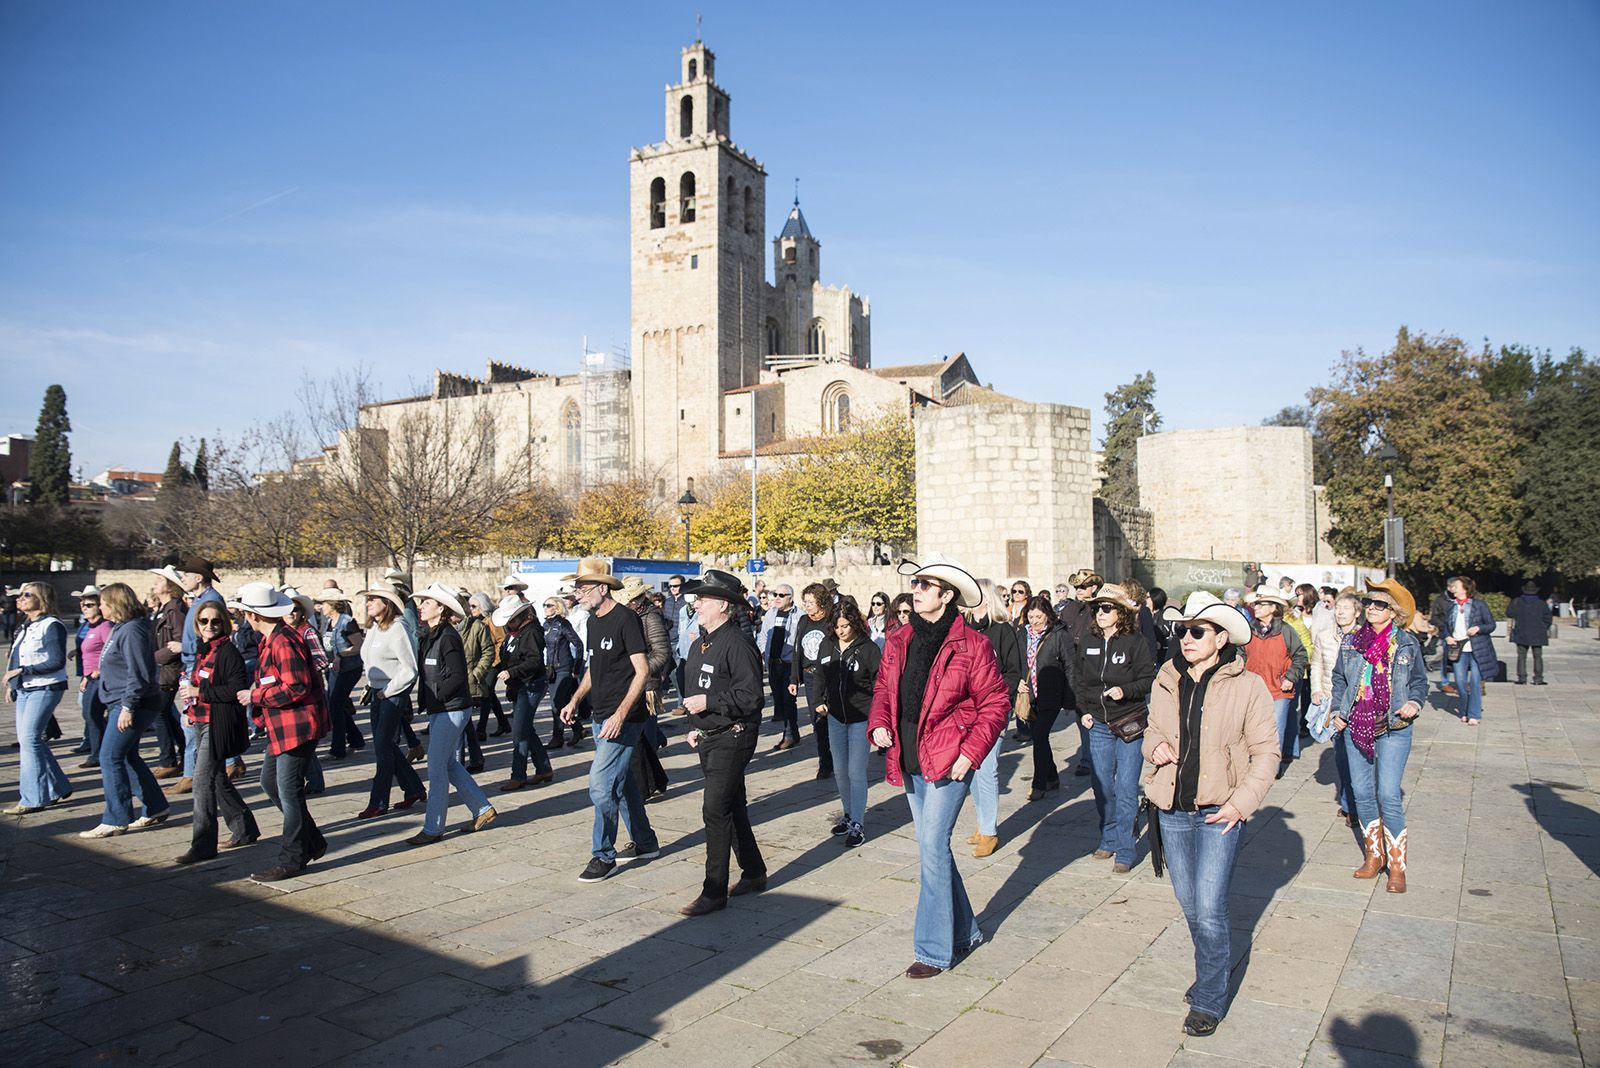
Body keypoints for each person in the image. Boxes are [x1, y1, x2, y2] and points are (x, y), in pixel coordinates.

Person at [869, 553, 1009, 979]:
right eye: (916, 583)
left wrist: (971, 752)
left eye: (926, 584)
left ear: (947, 596)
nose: (917, 589)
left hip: (951, 759)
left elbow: (995, 703)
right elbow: (883, 688)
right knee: (934, 850)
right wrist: (879, 723)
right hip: (910, 754)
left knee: (931, 846)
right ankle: (966, 932)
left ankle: (932, 950)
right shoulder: (899, 638)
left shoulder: (973, 644)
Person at [1146, 591, 1279, 1036]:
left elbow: (1267, 753)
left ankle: (1209, 997)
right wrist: (1154, 747)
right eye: (1182, 630)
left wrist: (1241, 804)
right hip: (1172, 809)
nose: (1186, 638)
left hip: (1220, 811)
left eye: (1197, 631)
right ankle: (1210, 971)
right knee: (1190, 905)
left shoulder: (1247, 686)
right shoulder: (1167, 676)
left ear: (1221, 638)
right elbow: (1152, 729)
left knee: (1209, 907)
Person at [676, 569, 768, 916]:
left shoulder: (738, 643)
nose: (697, 604)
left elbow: (751, 696)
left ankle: (713, 891)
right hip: (709, 736)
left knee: (714, 810)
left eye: (703, 598)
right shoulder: (702, 642)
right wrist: (694, 724)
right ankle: (754, 872)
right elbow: (697, 689)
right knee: (732, 805)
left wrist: (709, 704)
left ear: (724, 605)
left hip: (734, 736)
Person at [560, 559, 659, 882]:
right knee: (622, 782)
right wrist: (575, 699)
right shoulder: (593, 621)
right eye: (576, 589)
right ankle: (645, 842)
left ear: (603, 588)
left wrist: (621, 714)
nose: (578, 595)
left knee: (601, 787)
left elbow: (642, 671)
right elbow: (595, 667)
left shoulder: (626, 619)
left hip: (623, 718)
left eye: (583, 589)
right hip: (600, 714)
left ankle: (603, 855)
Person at [1330, 579, 1428, 893]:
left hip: (1394, 727)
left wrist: (1414, 702)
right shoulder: (1351, 642)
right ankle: (1374, 856)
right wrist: (1337, 709)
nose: (1371, 608)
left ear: (1393, 611)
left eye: (1379, 604)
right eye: (1368, 602)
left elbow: (1420, 682)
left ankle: (1397, 868)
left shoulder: (1407, 644)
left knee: (1388, 795)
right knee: (1362, 793)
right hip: (1356, 725)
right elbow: (1339, 678)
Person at [231, 583, 330, 881]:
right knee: (270, 783)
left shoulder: (283, 642)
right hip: (283, 726)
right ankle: (312, 841)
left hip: (296, 726)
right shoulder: (272, 640)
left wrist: (256, 696)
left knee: (288, 791)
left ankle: (293, 858)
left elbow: (296, 686)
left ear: (253, 615)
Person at [1075, 584, 1158, 873]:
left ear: (1120, 613)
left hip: (1129, 722)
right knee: (1102, 786)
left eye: (1106, 608)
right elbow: (1079, 680)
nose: (1100, 612)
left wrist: (1126, 690)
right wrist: (1084, 710)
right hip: (1097, 722)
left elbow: (1148, 679)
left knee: (1125, 787)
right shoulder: (1088, 640)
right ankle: (1108, 837)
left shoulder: (1135, 641)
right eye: (1097, 608)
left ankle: (1125, 849)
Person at [79, 583, 171, 837]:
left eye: (103, 603)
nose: (100, 608)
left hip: (133, 703)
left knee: (110, 756)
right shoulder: (122, 627)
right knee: (128, 755)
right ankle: (155, 806)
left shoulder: (132, 630)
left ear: (115, 604)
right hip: (119, 700)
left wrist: (128, 706)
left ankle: (116, 818)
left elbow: (138, 673)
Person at [408, 583, 497, 844]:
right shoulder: (431, 635)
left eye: (427, 603)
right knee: (448, 763)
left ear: (441, 608)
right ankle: (482, 809)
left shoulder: (447, 636)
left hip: (452, 709)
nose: (421, 607)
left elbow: (458, 676)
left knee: (436, 769)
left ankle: (433, 828)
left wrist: (436, 696)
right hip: (442, 708)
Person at [174, 602, 260, 862]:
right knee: (217, 778)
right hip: (201, 721)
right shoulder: (204, 649)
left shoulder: (227, 652)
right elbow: (198, 684)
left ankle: (203, 844)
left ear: (224, 623)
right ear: (196, 624)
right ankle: (244, 828)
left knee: (202, 782)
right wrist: (191, 709)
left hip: (217, 724)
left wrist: (199, 692)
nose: (209, 626)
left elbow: (236, 689)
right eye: (204, 621)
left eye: (215, 621)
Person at [964, 578, 1023, 857]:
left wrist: (999, 703)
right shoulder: (964, 628)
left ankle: (989, 832)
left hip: (993, 708)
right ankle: (982, 822)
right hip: (967, 709)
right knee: (973, 767)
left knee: (987, 769)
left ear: (986, 598)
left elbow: (1013, 671)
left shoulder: (1002, 630)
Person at [815, 599, 881, 847]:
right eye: (837, 626)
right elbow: (820, 675)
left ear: (854, 623)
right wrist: (818, 700)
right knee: (840, 770)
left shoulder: (869, 649)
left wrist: (876, 712)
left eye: (845, 626)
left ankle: (858, 823)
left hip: (860, 717)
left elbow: (879, 683)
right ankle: (848, 813)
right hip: (835, 716)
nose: (841, 631)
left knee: (856, 771)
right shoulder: (827, 644)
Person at [355, 584, 425, 818]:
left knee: (383, 748)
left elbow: (409, 668)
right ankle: (414, 788)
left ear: (387, 604)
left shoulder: (398, 628)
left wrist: (389, 690)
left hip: (392, 694)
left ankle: (378, 801)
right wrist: (371, 686)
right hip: (377, 692)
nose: (368, 603)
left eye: (374, 599)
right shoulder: (374, 628)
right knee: (384, 745)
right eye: (368, 599)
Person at [4, 581, 73, 814]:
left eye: (26, 595)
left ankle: (32, 798)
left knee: (29, 740)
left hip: (45, 688)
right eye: (19, 595)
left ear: (41, 598)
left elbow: (56, 661)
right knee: (30, 740)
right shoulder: (25, 624)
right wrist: (13, 682)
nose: (20, 598)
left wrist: (23, 670)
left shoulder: (52, 625)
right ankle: (58, 786)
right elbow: (15, 655)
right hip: (26, 688)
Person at [171, 557, 228, 792]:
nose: (183, 579)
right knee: (192, 720)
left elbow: (211, 635)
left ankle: (192, 773)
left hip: (199, 664)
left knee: (193, 721)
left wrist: (184, 647)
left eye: (186, 575)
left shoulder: (211, 600)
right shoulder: (199, 599)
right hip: (192, 664)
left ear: (198, 577)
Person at [617, 578, 671, 803]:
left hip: (646, 686)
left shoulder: (651, 617)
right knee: (639, 738)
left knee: (643, 737)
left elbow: (662, 652)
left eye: (630, 600)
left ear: (639, 599)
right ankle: (653, 779)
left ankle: (645, 785)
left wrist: (640, 670)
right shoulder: (629, 616)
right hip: (628, 683)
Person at [1310, 590, 1362, 824]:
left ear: (1357, 613)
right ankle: (1349, 804)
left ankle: (1357, 801)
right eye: (1337, 608)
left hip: (1360, 703)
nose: (1340, 612)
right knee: (1341, 755)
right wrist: (1316, 689)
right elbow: (1316, 664)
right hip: (1334, 701)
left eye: (1346, 608)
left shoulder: (1365, 637)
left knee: (1358, 755)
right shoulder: (1324, 636)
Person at [493, 594, 555, 792]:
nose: (508, 624)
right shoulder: (513, 633)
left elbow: (534, 661)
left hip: (531, 684)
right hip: (519, 685)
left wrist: (511, 672)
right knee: (525, 727)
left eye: (511, 620)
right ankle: (544, 768)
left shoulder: (532, 632)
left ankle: (518, 775)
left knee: (520, 731)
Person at [1242, 586, 1308, 772]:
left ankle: (1271, 768)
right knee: (1252, 730)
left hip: (1279, 690)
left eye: (1261, 604)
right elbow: (1240, 654)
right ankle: (1253, 765)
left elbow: (1301, 656)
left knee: (1275, 731)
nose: (1256, 607)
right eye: (1256, 604)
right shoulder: (1248, 630)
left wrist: (1290, 677)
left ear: (1273, 608)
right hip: (1253, 690)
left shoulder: (1286, 631)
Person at [1020, 595, 1074, 801]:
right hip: (1030, 695)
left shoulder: (1058, 634)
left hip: (1051, 694)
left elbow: (1070, 666)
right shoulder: (1022, 633)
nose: (1034, 621)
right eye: (1031, 616)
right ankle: (1052, 777)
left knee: (1040, 735)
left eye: (1039, 617)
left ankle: (1039, 784)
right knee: (1040, 738)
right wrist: (1017, 683)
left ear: (1047, 615)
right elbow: (1017, 662)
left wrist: (1070, 700)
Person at [789, 583, 836, 778]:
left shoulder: (831, 620)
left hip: (829, 676)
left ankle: (836, 758)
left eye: (811, 602)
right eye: (805, 602)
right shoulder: (803, 621)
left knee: (832, 719)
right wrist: (794, 678)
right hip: (810, 677)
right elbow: (797, 650)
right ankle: (825, 761)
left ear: (821, 602)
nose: (807, 606)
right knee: (817, 720)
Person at [147, 567, 188, 781]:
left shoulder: (174, 609)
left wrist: (153, 657)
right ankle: (183, 753)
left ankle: (168, 760)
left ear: (170, 586)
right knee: (165, 713)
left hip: (168, 670)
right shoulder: (164, 609)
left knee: (159, 712)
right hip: (161, 669)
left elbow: (180, 642)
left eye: (159, 580)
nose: (154, 583)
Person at [315, 589, 366, 760]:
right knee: (336, 705)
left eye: (324, 603)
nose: (321, 607)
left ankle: (338, 749)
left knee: (335, 705)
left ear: (332, 604)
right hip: (334, 669)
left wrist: (341, 655)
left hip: (349, 669)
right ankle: (356, 739)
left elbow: (358, 646)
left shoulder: (347, 622)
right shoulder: (329, 622)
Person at [1443, 576, 1497, 725]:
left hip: (1478, 649)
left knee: (1475, 682)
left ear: (1465, 588)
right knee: (1460, 682)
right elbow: (1445, 627)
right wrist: (1447, 636)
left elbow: (1491, 625)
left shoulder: (1479, 605)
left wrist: (1478, 628)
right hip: (1458, 649)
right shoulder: (1451, 606)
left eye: (1456, 586)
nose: (1453, 589)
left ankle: (1474, 714)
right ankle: (1465, 710)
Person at [456, 593, 497, 773]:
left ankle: (459, 765)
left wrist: (476, 674)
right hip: (450, 682)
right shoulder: (442, 628)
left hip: (468, 681)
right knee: (464, 722)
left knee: (460, 722)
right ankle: (476, 758)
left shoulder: (479, 626)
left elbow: (489, 651)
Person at [73, 586, 112, 770]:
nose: (84, 607)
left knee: (92, 714)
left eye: (89, 605)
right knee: (90, 714)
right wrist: (85, 676)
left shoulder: (105, 627)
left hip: (100, 678)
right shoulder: (89, 626)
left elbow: (112, 650)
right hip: (89, 678)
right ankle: (99, 750)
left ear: (99, 606)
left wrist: (98, 670)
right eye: (83, 604)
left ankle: (98, 753)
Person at [541, 594, 585, 747]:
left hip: (564, 668)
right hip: (551, 669)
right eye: (544, 605)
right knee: (562, 702)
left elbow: (579, 644)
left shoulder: (563, 624)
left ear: (557, 608)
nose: (545, 608)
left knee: (556, 703)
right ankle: (578, 728)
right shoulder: (545, 625)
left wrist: (576, 668)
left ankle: (558, 737)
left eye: (549, 605)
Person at [1507, 580, 1552, 686]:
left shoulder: (1517, 602)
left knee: (1521, 656)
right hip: (1538, 633)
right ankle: (1538, 679)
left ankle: (1522, 678)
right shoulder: (1541, 603)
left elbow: (1509, 613)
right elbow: (1548, 619)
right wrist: (1543, 628)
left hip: (1521, 632)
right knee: (1538, 656)